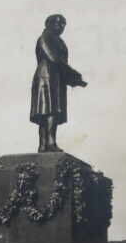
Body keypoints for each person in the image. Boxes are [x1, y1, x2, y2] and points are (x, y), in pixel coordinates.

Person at [30, 14, 87, 152]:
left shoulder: (60, 42)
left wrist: (74, 80)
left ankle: (45, 144)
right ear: (48, 24)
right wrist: (73, 74)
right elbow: (53, 58)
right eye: (58, 23)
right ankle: (48, 143)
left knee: (50, 112)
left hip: (56, 79)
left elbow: (61, 65)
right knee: (49, 111)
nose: (61, 26)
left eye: (63, 24)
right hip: (46, 77)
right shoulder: (45, 38)